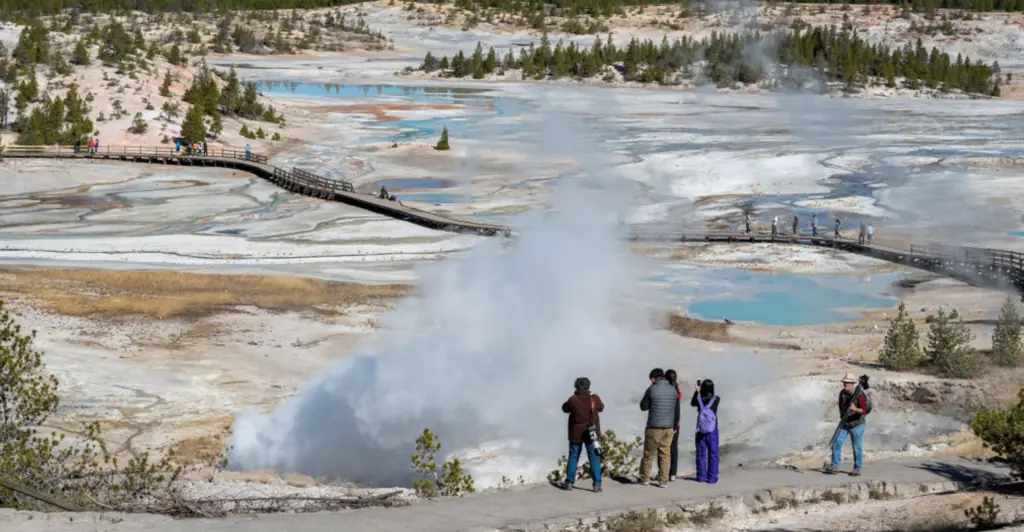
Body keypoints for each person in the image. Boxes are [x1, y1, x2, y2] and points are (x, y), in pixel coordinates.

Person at [561, 377, 604, 492]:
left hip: (576, 434)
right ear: (588, 386)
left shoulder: (573, 400)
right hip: (592, 434)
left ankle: (569, 483)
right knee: (594, 458)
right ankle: (597, 484)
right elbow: (601, 408)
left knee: (573, 456)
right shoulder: (594, 399)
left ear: (576, 387)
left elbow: (564, 408)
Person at [639, 368, 677, 487]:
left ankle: (645, 478)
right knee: (665, 454)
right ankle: (663, 481)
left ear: (652, 378)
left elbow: (643, 406)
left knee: (649, 454)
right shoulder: (673, 389)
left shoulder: (652, 389)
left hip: (654, 427)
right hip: (669, 428)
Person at [826, 373, 868, 476]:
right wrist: (843, 419)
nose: (846, 385)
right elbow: (841, 408)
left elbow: (864, 411)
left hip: (857, 425)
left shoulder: (860, 394)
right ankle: (835, 466)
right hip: (845, 423)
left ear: (853, 384)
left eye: (848, 383)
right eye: (845, 383)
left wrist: (855, 409)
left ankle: (857, 468)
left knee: (856, 447)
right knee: (837, 442)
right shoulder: (842, 393)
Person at [692, 379, 720, 484]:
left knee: (701, 454)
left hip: (700, 430)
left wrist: (697, 391)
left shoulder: (699, 400)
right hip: (713, 430)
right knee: (713, 454)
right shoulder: (717, 399)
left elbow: (692, 403)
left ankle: (701, 477)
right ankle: (712, 478)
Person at [665, 369, 682, 481]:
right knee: (673, 448)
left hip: (667, 423)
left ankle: (664, 473)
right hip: (676, 424)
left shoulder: (669, 391)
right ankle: (673, 473)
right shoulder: (676, 389)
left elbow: (675, 410)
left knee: (664, 449)